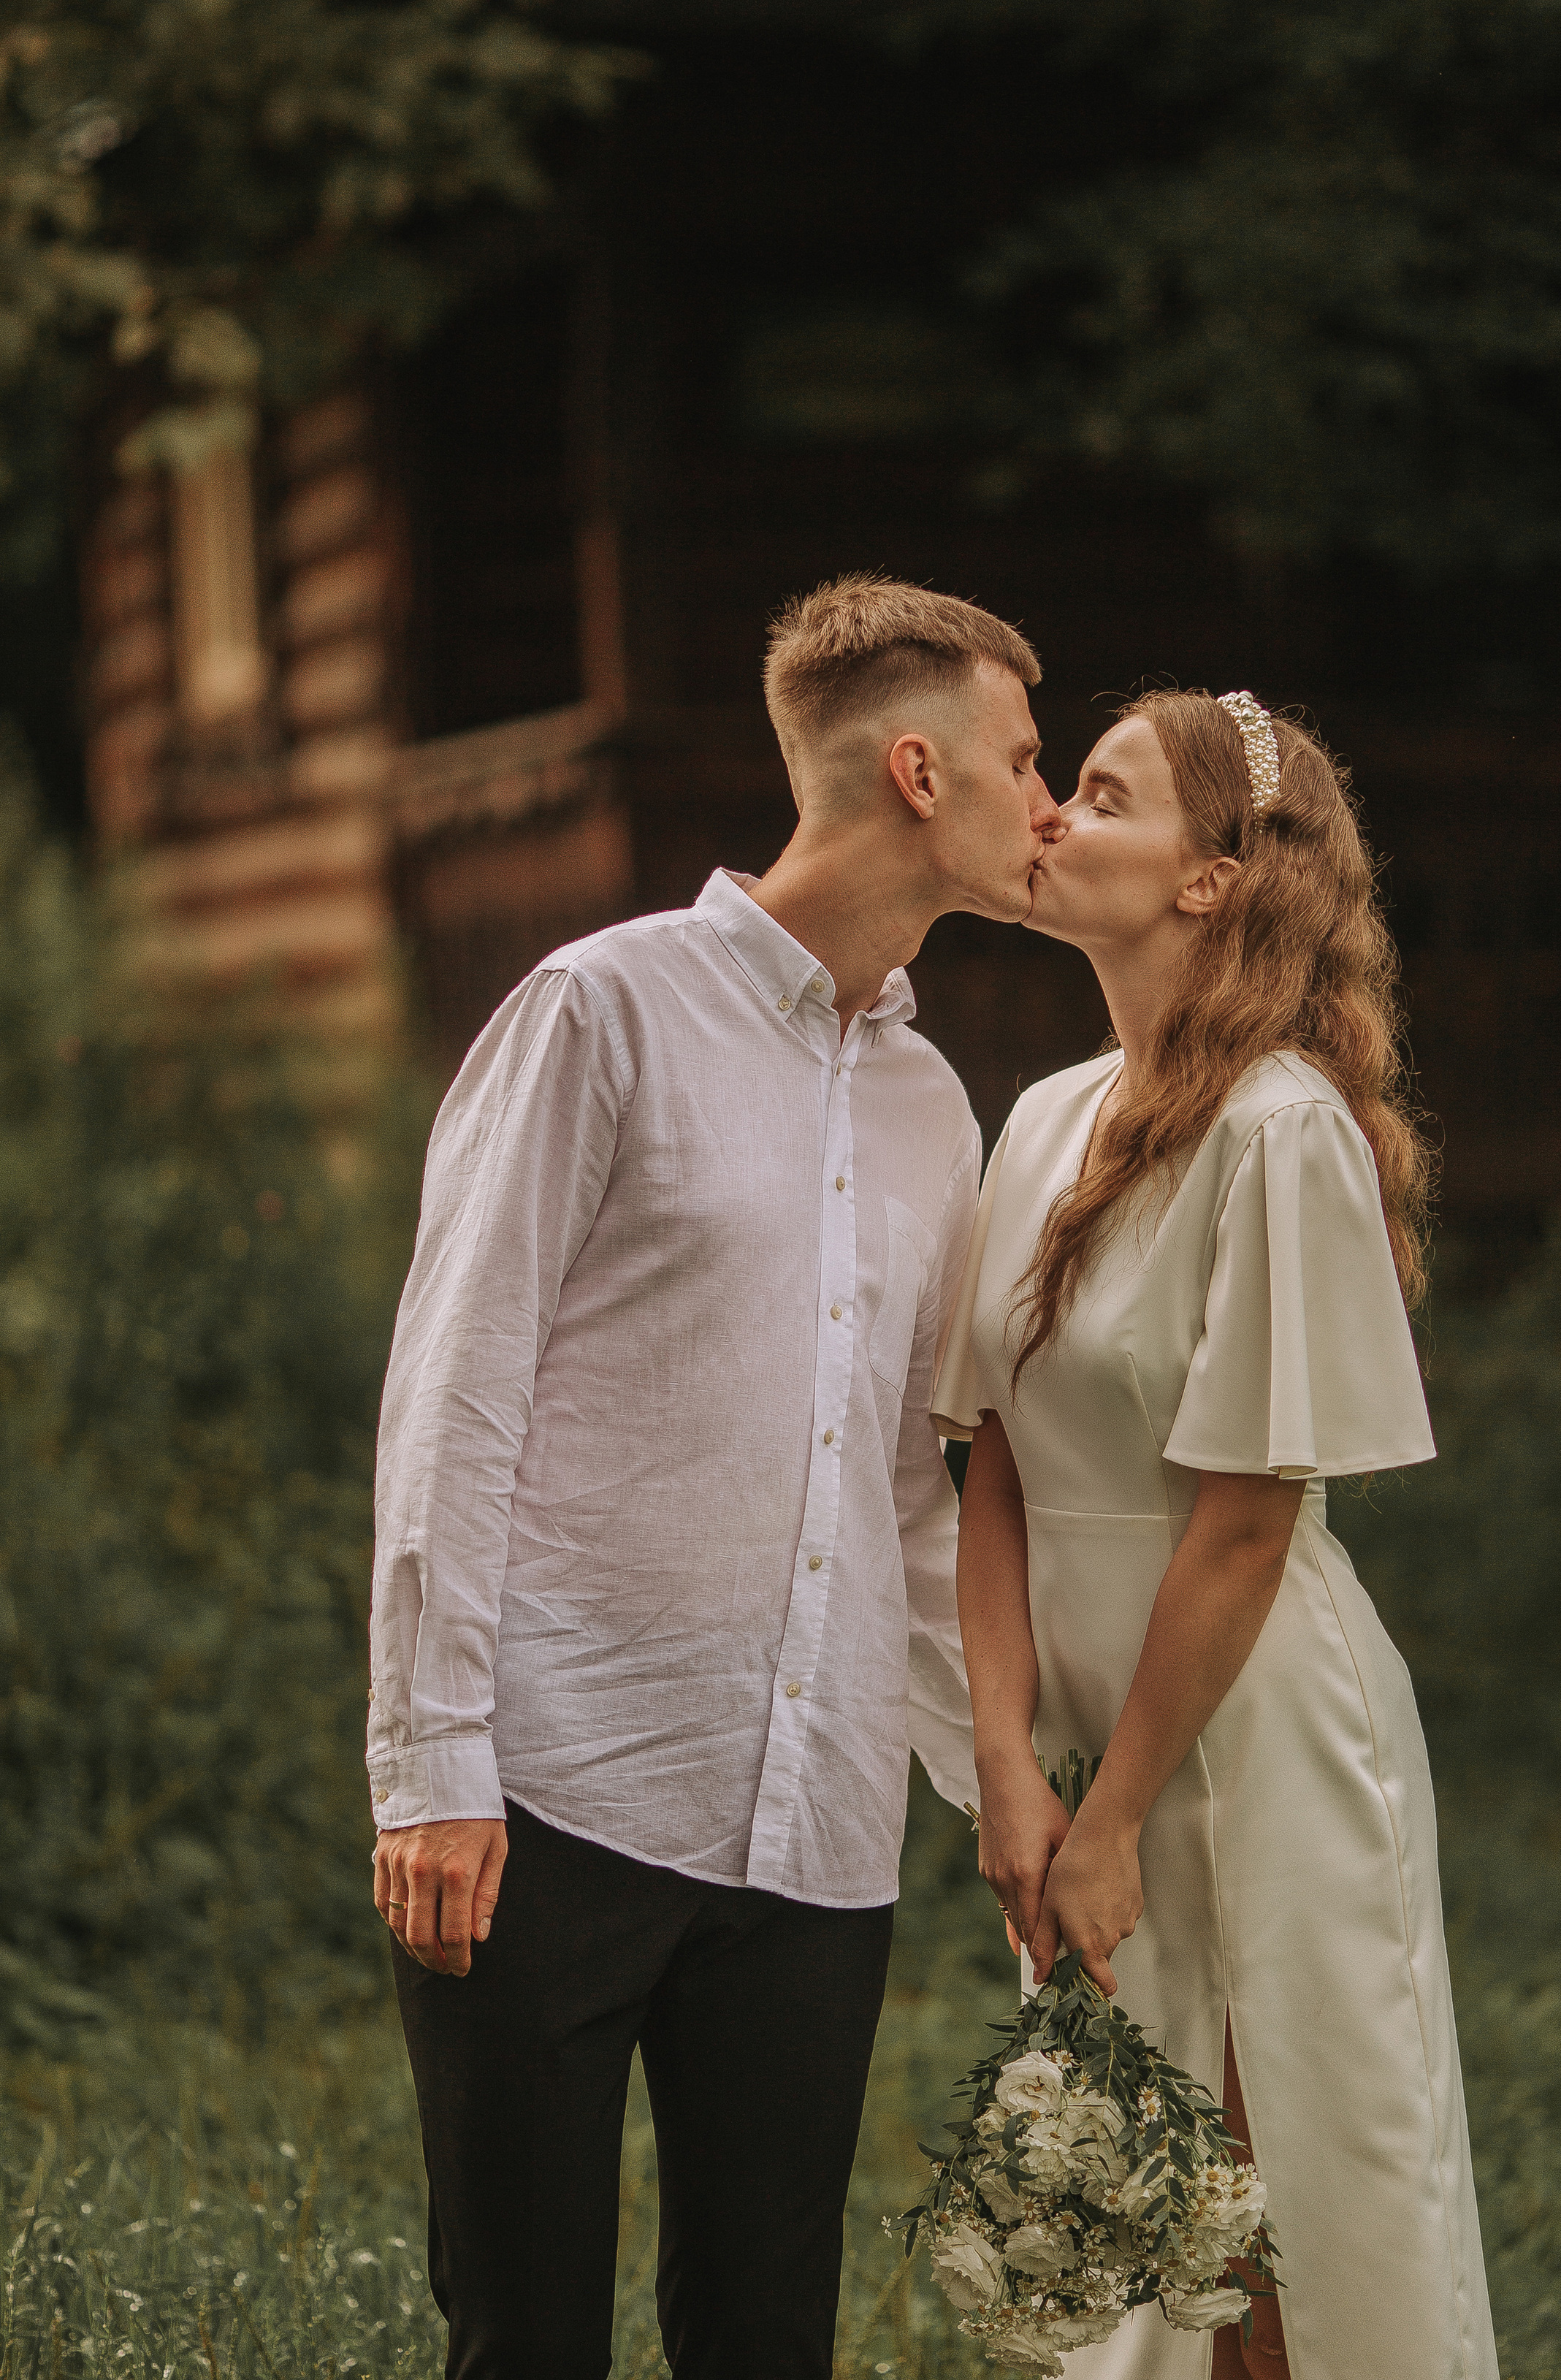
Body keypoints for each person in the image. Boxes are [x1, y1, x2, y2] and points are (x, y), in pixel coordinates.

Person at [367, 573, 1061, 2380]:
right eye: (1022, 759)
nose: (1046, 802)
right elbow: (455, 1388)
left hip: (813, 1828)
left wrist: (997, 1777)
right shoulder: (597, 1011)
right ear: (916, 771)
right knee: (523, 2340)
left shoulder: (936, 1109)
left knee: (766, 2340)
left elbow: (917, 1493)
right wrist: (432, 1762)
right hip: (555, 1788)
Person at [935, 688, 1498, 2379]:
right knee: (1112, 2258)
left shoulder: (1282, 1133)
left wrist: (1110, 1817)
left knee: (1281, 2240)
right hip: (1083, 1753)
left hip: (1252, 1740)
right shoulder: (1040, 1118)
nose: (1048, 817)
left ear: (1208, 877)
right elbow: (997, 1472)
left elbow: (1247, 1529)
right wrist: (1007, 1766)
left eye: (1098, 796)